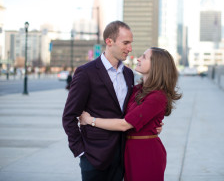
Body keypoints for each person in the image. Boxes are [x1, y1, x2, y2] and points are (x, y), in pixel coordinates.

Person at [62, 21, 162, 181]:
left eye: (131, 43)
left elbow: (133, 111)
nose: (130, 49)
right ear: (109, 41)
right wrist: (81, 152)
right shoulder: (86, 73)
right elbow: (69, 116)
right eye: (125, 43)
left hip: (123, 156)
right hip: (94, 158)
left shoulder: (129, 74)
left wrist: (153, 124)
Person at [79, 47, 182, 181]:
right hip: (129, 151)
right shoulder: (137, 89)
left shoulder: (157, 96)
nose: (138, 58)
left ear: (156, 65)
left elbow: (124, 124)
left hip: (146, 153)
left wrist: (90, 120)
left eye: (144, 57)